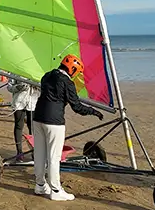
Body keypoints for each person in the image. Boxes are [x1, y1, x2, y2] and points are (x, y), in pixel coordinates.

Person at [32, 54, 103, 201]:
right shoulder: (67, 82)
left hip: (37, 117)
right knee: (54, 157)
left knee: (39, 153)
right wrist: (94, 111)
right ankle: (56, 190)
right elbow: (77, 107)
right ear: (72, 69)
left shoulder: (47, 75)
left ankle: (40, 185)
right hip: (54, 122)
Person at [8, 79, 38, 161]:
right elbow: (9, 87)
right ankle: (19, 152)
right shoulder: (16, 71)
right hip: (18, 103)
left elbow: (44, 88)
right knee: (18, 126)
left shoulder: (37, 72)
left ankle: (34, 151)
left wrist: (37, 86)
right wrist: (18, 87)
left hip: (33, 103)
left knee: (32, 127)